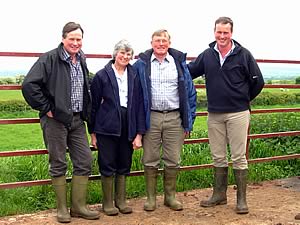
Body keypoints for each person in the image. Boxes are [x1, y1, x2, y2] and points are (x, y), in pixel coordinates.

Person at [22, 22, 100, 223]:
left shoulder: (81, 58)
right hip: (55, 120)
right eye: (72, 38)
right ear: (63, 38)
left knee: (84, 161)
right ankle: (62, 209)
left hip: (76, 120)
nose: (75, 42)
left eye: (79, 39)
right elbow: (29, 85)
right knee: (58, 163)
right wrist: (46, 108)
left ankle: (78, 207)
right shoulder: (49, 59)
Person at [188, 16, 265, 214]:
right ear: (214, 32)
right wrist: (170, 62)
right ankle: (219, 195)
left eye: (226, 32)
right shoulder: (207, 55)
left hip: (238, 113)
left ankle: (241, 200)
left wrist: (242, 99)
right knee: (218, 156)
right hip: (214, 114)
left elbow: (258, 81)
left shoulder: (243, 54)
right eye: (219, 32)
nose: (222, 36)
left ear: (232, 33)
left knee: (239, 157)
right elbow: (189, 72)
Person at [133, 29, 197, 211]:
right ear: (151, 43)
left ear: (169, 42)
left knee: (173, 159)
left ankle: (170, 197)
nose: (161, 44)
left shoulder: (179, 64)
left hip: (174, 117)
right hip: (151, 116)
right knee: (150, 158)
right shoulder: (141, 65)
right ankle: (151, 198)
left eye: (164, 40)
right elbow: (135, 93)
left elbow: (190, 94)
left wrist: (188, 120)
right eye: (157, 41)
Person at [89, 39, 146, 216]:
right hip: (106, 127)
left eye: (128, 54)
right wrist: (93, 132)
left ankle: (121, 201)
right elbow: (93, 106)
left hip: (128, 125)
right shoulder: (101, 75)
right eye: (122, 53)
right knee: (107, 163)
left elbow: (138, 105)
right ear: (115, 54)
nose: (125, 56)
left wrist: (139, 133)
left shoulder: (135, 75)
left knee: (124, 162)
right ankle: (107, 203)